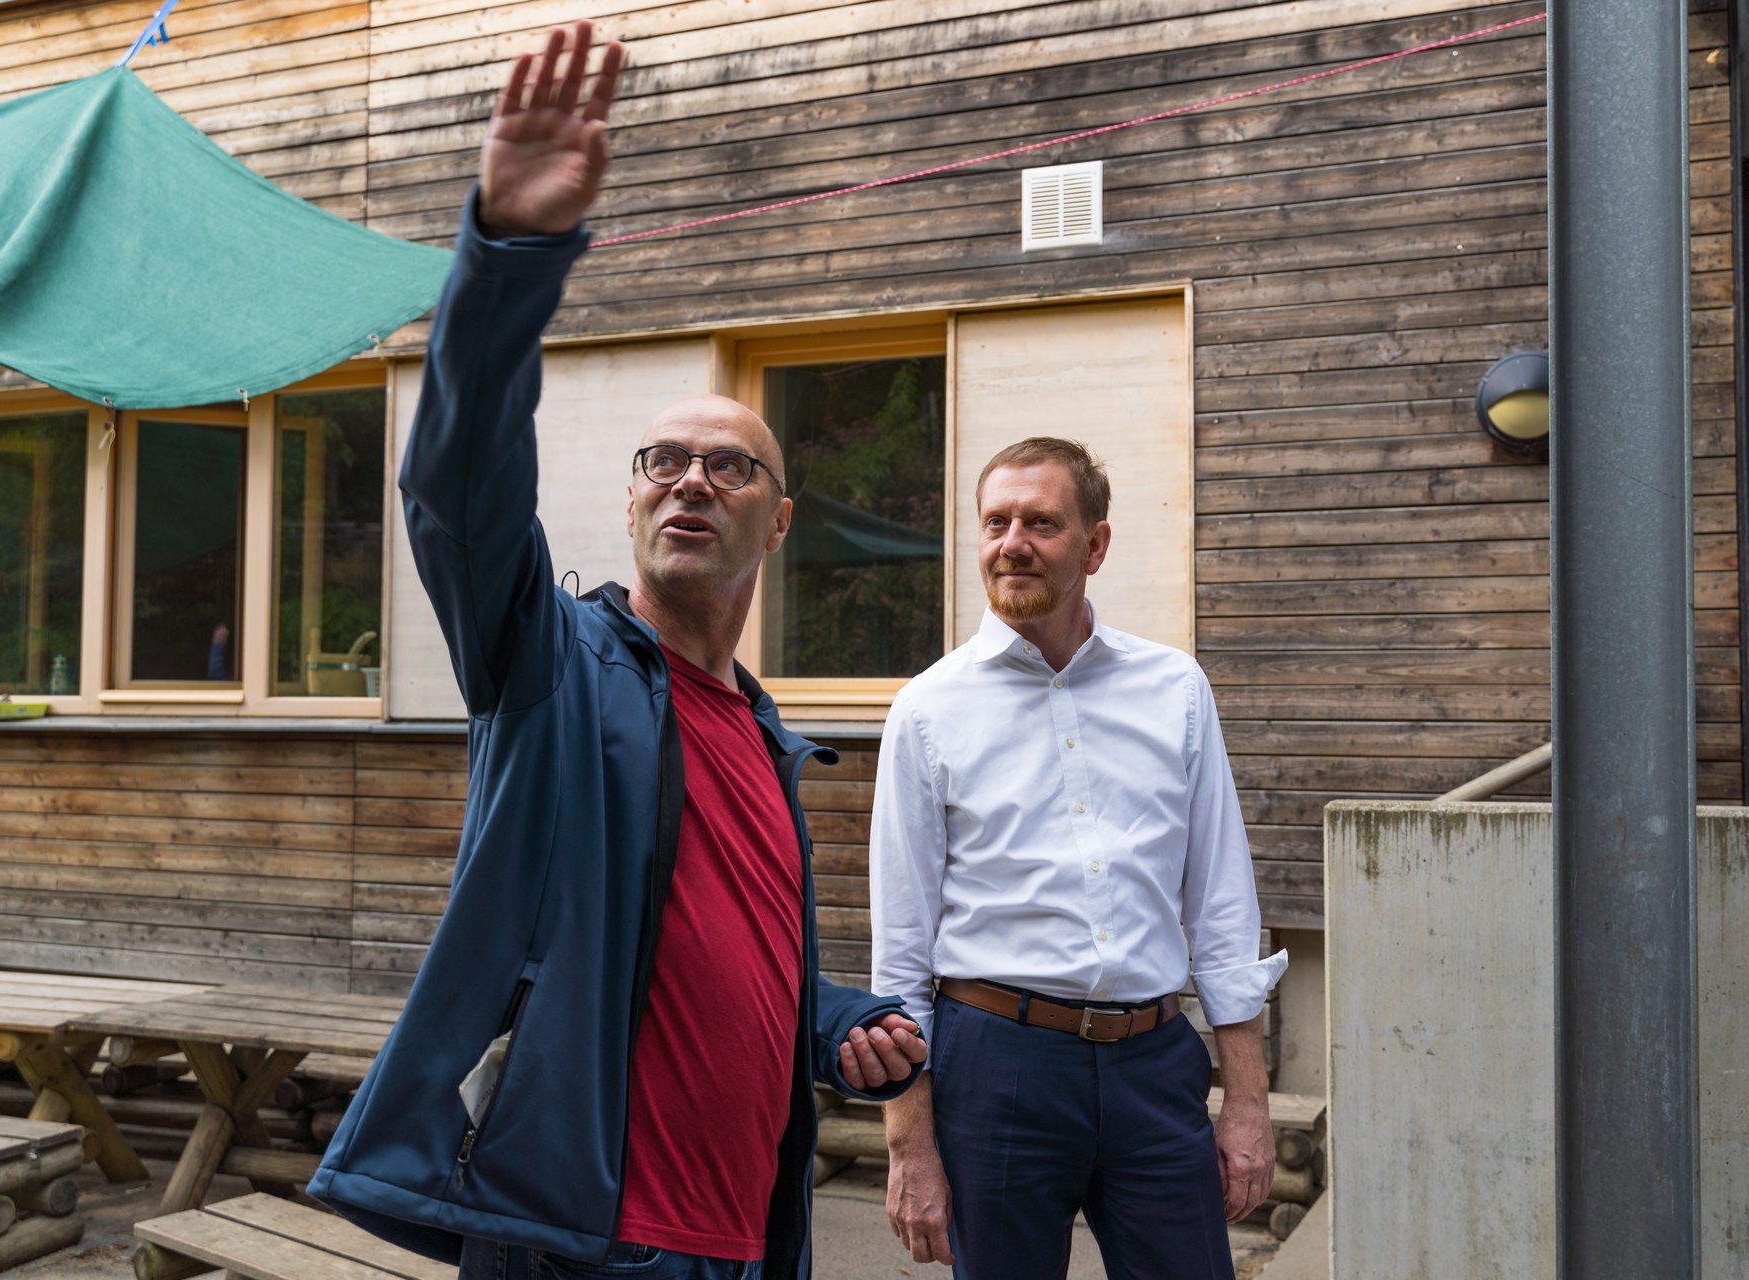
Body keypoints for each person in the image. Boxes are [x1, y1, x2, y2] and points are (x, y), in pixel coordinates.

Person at [308, 22, 926, 1280]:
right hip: (587, 1239)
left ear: (780, 519)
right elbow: (458, 484)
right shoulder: (552, 668)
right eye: (664, 461)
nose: (693, 479)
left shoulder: (761, 734)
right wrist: (511, 255)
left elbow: (684, 959)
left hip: (749, 1240)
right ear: (635, 500)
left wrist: (839, 1018)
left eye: (732, 464)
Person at [869, 437, 1288, 1279]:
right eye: (995, 521)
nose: (1011, 542)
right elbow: (900, 953)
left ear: (1094, 544)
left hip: (1154, 1061)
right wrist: (910, 1146)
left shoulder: (1174, 689)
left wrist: (1246, 1101)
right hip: (996, 1068)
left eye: (1041, 522)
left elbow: (1222, 907)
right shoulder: (927, 711)